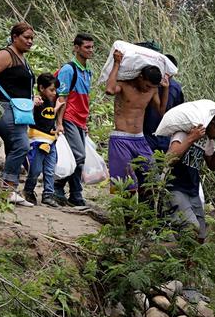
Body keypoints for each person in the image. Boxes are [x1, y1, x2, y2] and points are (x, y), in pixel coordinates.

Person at [0, 22, 36, 206]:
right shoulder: (7, 54)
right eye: (26, 38)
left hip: (20, 111)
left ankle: (10, 191)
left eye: (32, 39)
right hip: (4, 107)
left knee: (12, 146)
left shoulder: (21, 57)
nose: (30, 42)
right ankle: (7, 189)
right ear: (15, 37)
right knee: (21, 145)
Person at [104, 49, 168, 191]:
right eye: (147, 85)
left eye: (152, 87)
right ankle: (127, 213)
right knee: (125, 184)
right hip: (121, 138)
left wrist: (166, 89)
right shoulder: (125, 85)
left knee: (153, 179)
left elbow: (161, 111)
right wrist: (116, 64)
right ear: (140, 77)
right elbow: (109, 89)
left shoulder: (152, 90)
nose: (148, 89)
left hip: (140, 139)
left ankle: (146, 212)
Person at [166, 111, 215, 241]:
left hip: (193, 189)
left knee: (201, 235)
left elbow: (212, 166)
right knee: (191, 229)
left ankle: (187, 260)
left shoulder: (208, 140)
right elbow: (169, 159)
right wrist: (191, 138)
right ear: (212, 124)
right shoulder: (183, 133)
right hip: (175, 188)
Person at [53, 33, 95, 207]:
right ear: (76, 48)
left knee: (77, 156)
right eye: (87, 47)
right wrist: (59, 123)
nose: (91, 50)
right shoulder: (69, 70)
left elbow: (84, 98)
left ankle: (67, 191)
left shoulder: (87, 71)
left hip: (80, 120)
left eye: (92, 47)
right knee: (79, 156)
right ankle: (68, 191)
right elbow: (61, 98)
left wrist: (85, 123)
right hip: (69, 117)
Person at [23, 73, 63, 207]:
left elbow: (49, 115)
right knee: (36, 168)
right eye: (51, 90)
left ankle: (48, 195)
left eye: (55, 90)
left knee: (50, 169)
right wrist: (33, 104)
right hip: (38, 141)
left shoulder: (51, 101)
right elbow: (28, 114)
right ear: (41, 88)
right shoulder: (37, 100)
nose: (54, 93)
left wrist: (57, 109)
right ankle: (28, 191)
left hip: (51, 141)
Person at [143, 51, 184, 153]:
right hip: (146, 134)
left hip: (164, 137)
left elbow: (177, 112)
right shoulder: (151, 82)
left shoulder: (175, 89)